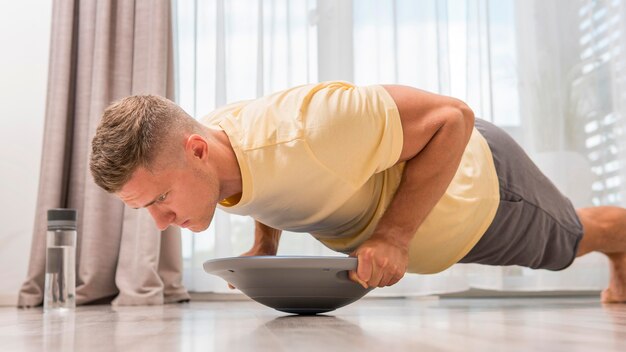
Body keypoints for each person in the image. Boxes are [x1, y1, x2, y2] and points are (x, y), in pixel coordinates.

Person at [90, 81, 626, 302]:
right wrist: (265, 245)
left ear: (196, 152)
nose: (160, 222)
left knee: (570, 241)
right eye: (147, 210)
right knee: (569, 236)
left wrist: (394, 234)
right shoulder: (214, 149)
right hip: (454, 213)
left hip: (484, 188)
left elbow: (451, 116)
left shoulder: (315, 126)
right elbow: (264, 176)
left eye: (160, 200)